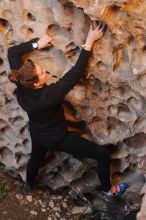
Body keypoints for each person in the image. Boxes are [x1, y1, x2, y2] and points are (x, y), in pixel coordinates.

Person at [7, 22, 128, 197]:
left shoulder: (21, 82)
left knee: (35, 159)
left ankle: (29, 184)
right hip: (58, 139)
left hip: (37, 133)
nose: (45, 71)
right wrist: (89, 41)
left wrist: (36, 45)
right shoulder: (49, 96)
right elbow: (74, 74)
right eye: (43, 72)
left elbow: (12, 52)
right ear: (38, 83)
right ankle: (108, 191)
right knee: (102, 155)